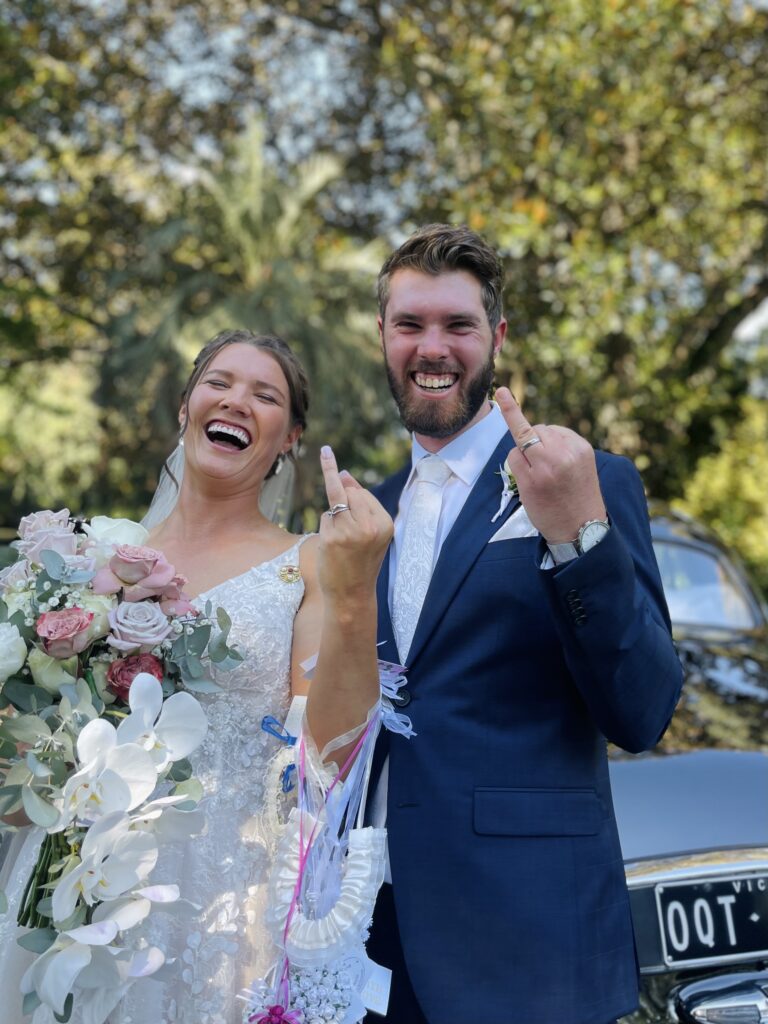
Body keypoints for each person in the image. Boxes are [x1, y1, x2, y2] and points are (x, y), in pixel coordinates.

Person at [0, 329, 392, 1024]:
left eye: (264, 395)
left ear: (289, 438)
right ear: (186, 407)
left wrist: (356, 587)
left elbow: (329, 749)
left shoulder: (307, 565)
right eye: (219, 383)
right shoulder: (96, 555)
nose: (237, 401)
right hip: (73, 876)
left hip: (220, 896)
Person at [364, 225, 684, 1024]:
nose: (431, 347)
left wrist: (578, 535)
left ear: (496, 338)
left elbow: (643, 712)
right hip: (370, 946)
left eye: (458, 326)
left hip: (528, 947)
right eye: (410, 325)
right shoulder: (366, 509)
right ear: (382, 336)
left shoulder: (589, 479)